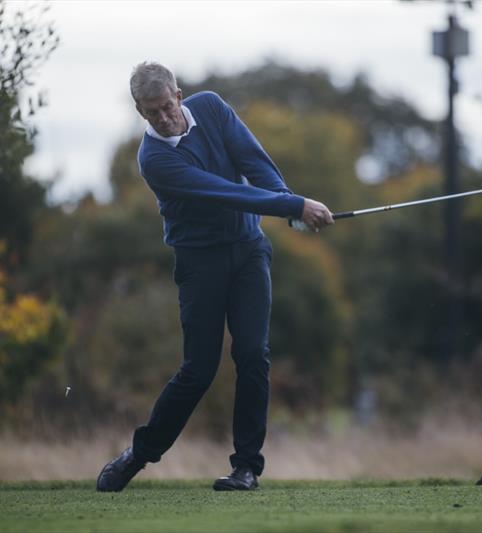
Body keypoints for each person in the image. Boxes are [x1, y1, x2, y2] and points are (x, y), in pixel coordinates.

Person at [96, 62, 334, 492]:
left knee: (253, 354)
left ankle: (246, 468)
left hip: (248, 252)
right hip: (199, 262)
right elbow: (225, 192)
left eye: (167, 106)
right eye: (152, 112)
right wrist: (294, 206)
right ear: (140, 111)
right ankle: (140, 454)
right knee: (199, 369)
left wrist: (285, 202)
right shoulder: (155, 160)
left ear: (179, 94)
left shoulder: (212, 108)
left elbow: (252, 160)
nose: (163, 118)